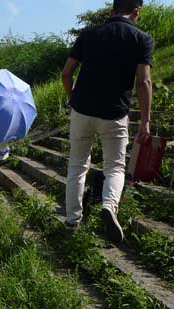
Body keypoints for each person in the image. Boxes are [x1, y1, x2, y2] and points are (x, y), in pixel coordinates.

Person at [61, 0, 153, 242]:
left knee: (77, 165)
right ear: (136, 11)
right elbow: (144, 82)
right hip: (115, 114)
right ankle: (109, 206)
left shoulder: (88, 34)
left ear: (111, 11)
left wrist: (73, 99)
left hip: (82, 111)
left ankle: (72, 222)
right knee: (115, 166)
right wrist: (145, 121)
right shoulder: (142, 39)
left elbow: (66, 73)